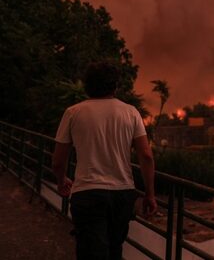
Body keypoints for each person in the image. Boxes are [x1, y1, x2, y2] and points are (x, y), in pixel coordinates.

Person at [52, 61, 157, 260]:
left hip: (87, 193)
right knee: (115, 250)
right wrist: (150, 194)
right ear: (115, 86)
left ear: (87, 86)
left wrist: (61, 180)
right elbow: (146, 156)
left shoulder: (73, 112)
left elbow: (58, 161)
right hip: (122, 194)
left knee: (91, 252)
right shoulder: (131, 112)